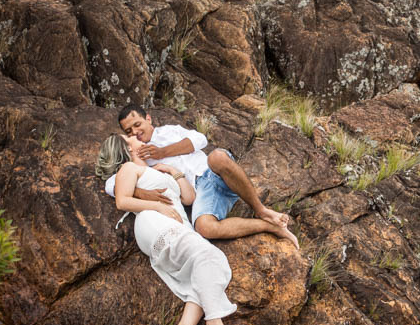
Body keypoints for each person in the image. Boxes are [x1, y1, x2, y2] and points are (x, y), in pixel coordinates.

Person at [96, 133, 240, 325]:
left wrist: (174, 172)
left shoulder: (158, 169)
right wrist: (158, 207)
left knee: (209, 265)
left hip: (179, 226)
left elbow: (189, 197)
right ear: (126, 148)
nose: (135, 136)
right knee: (208, 255)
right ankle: (214, 321)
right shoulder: (128, 169)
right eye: (129, 137)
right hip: (154, 222)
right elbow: (122, 201)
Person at [118, 104, 299, 248]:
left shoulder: (169, 131)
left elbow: (200, 140)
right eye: (128, 131)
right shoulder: (137, 158)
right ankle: (269, 226)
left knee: (217, 157)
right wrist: (141, 192)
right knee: (204, 227)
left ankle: (261, 210)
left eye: (137, 124)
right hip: (202, 191)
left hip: (214, 171)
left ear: (148, 119)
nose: (135, 132)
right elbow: (117, 184)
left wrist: (162, 152)